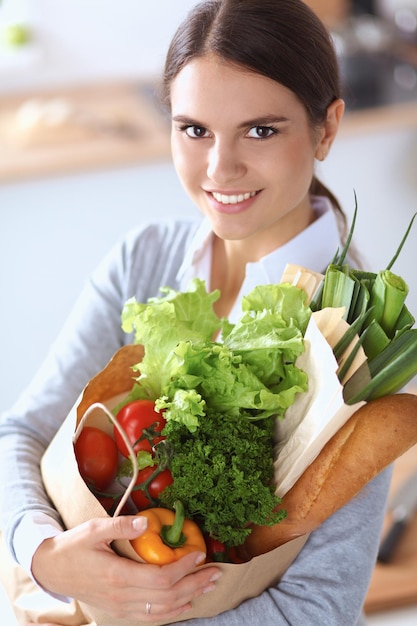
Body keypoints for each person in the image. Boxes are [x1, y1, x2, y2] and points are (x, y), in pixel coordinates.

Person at [0, 1, 391, 625]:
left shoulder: (359, 338)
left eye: (261, 130)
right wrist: (44, 554)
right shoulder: (143, 258)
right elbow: (20, 432)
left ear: (326, 128)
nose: (219, 168)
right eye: (194, 129)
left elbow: (320, 608)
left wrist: (140, 613)